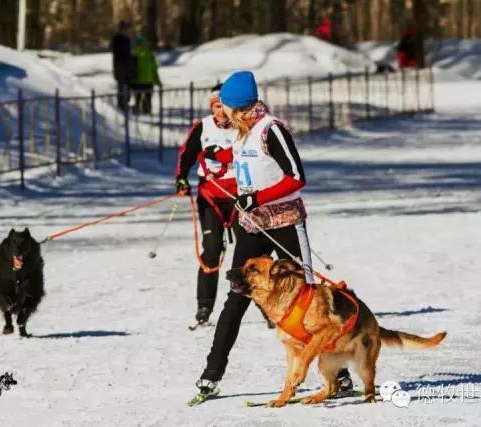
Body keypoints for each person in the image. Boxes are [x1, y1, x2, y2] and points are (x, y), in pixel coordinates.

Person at [194, 71, 353, 398]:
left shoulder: (271, 130)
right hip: (252, 227)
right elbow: (249, 172)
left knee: (309, 301)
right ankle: (212, 372)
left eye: (223, 106)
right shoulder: (240, 133)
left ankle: (340, 374)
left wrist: (256, 198)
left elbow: (296, 177)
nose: (219, 113)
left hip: (286, 223)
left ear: (238, 107)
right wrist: (238, 193)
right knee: (236, 298)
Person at [175, 84, 238, 326]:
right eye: (216, 106)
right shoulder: (203, 127)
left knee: (247, 252)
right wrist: (181, 179)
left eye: (224, 106)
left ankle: (266, 308)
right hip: (210, 196)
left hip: (239, 197)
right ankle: (204, 306)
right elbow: (187, 154)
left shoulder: (243, 127)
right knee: (212, 250)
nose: (220, 112)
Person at [131, 34, 161, 114]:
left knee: (148, 99)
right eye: (144, 42)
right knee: (138, 98)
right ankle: (137, 111)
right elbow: (132, 68)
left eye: (146, 42)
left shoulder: (150, 54)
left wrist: (157, 80)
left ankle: (147, 111)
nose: (146, 43)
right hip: (138, 81)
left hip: (149, 81)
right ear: (140, 43)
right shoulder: (135, 54)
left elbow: (154, 69)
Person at [110, 20, 132, 110]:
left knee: (127, 86)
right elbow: (117, 53)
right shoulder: (117, 39)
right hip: (120, 66)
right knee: (122, 86)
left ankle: (125, 103)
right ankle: (121, 104)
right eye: (126, 29)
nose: (127, 31)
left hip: (127, 66)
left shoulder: (127, 39)